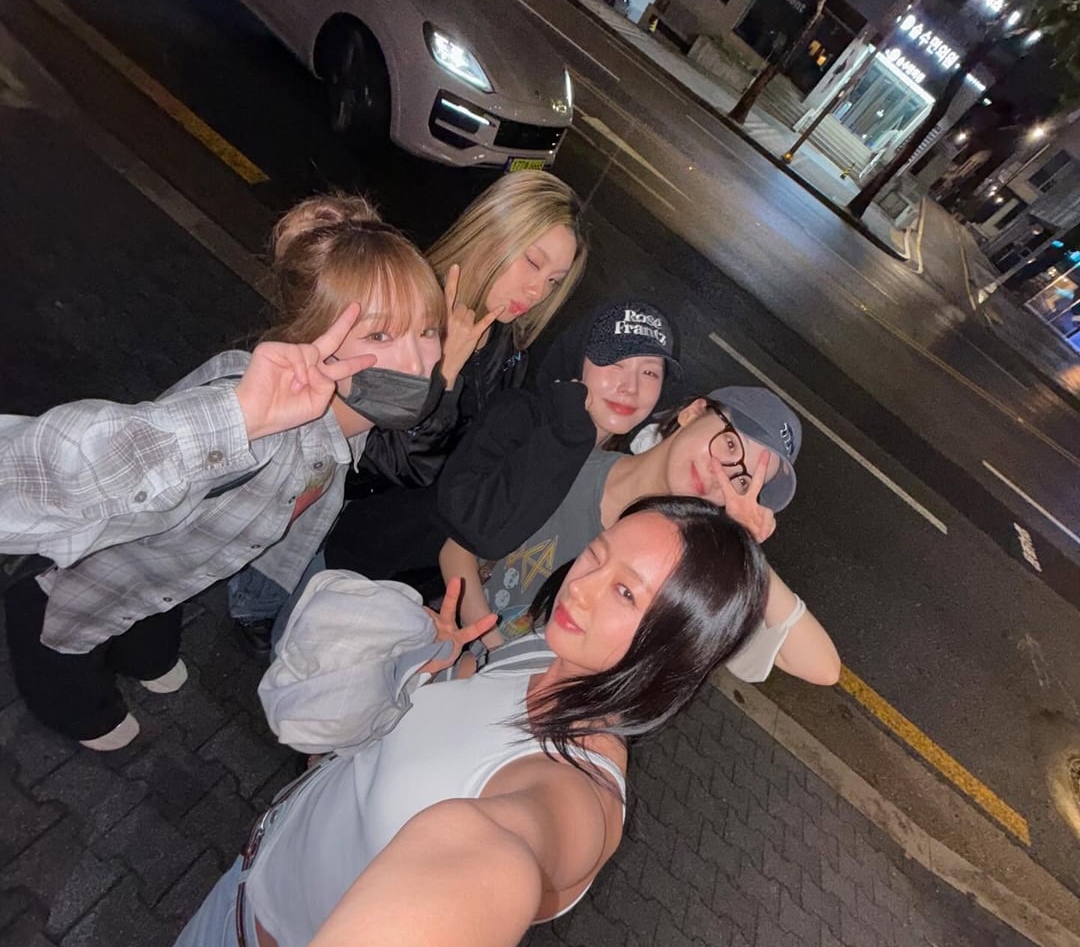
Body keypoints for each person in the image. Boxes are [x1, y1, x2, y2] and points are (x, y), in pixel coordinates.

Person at [35, 497, 769, 947]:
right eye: (598, 556)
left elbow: (495, 856)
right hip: (256, 875)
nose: (582, 586)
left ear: (672, 649)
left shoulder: (576, 797)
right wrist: (440, 668)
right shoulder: (546, 652)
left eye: (625, 593)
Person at [0, 195, 444, 750]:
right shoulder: (256, 419)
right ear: (316, 336)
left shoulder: (350, 426)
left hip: (169, 576)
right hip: (90, 573)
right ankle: (76, 710)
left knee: (151, 632)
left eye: (429, 330)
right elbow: (84, 461)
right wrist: (234, 420)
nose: (419, 362)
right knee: (61, 650)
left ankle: (139, 655)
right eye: (380, 335)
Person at [232, 171, 588, 650]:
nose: (536, 291)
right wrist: (446, 372)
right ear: (494, 233)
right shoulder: (411, 311)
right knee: (285, 641)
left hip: (400, 547)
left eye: (553, 281)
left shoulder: (507, 345)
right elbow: (376, 460)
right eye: (532, 262)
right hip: (339, 527)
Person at [441, 386, 841, 684]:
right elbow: (457, 549)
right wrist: (492, 647)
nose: (720, 475)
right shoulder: (570, 463)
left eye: (742, 482)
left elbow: (820, 667)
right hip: (444, 644)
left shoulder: (682, 571)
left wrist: (743, 545)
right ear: (693, 412)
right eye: (729, 444)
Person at [431, 298, 683, 595]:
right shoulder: (517, 415)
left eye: (650, 373)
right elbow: (481, 532)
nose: (631, 387)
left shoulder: (618, 477)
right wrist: (570, 432)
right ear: (577, 359)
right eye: (615, 362)